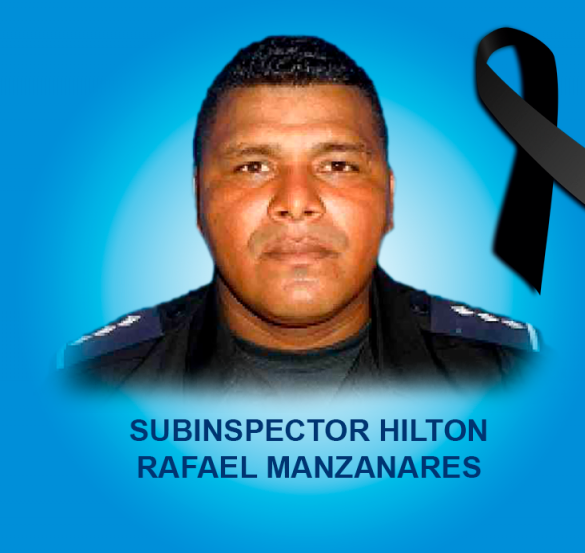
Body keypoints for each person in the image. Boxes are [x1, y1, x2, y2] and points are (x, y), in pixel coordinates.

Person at [58, 36, 541, 395]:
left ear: (389, 200)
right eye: (253, 167)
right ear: (199, 199)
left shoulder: (512, 376)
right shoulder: (98, 384)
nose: (296, 200)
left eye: (337, 166)